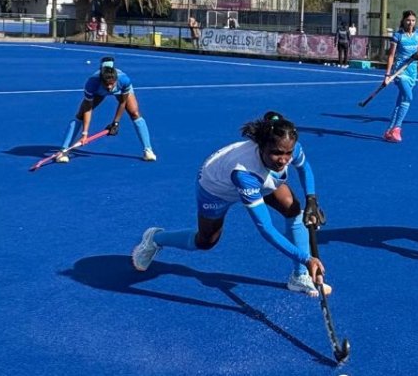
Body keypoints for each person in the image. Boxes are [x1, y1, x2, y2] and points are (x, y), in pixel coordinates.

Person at [129, 111, 331, 297]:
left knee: (293, 208)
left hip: (260, 177)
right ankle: (155, 238)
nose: (283, 160)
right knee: (206, 241)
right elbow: (266, 228)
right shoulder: (243, 172)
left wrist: (312, 200)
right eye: (277, 153)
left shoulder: (289, 146)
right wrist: (307, 257)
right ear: (261, 146)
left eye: (288, 153)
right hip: (216, 189)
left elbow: (304, 169)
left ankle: (299, 276)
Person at [57, 56, 155, 163]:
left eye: (111, 84)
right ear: (101, 80)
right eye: (106, 84)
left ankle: (148, 150)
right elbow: (88, 109)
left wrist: (115, 123)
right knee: (80, 114)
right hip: (99, 92)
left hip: (119, 90)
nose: (109, 87)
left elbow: (123, 102)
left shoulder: (124, 80)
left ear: (116, 80)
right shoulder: (92, 84)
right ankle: (63, 150)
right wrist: (84, 134)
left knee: (135, 113)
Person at [382, 10, 418, 143]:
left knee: (400, 102)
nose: (410, 23)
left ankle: (388, 131)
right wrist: (387, 75)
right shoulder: (397, 36)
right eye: (408, 20)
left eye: (413, 20)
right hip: (400, 72)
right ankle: (397, 128)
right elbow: (391, 56)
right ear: (403, 21)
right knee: (408, 97)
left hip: (412, 71)